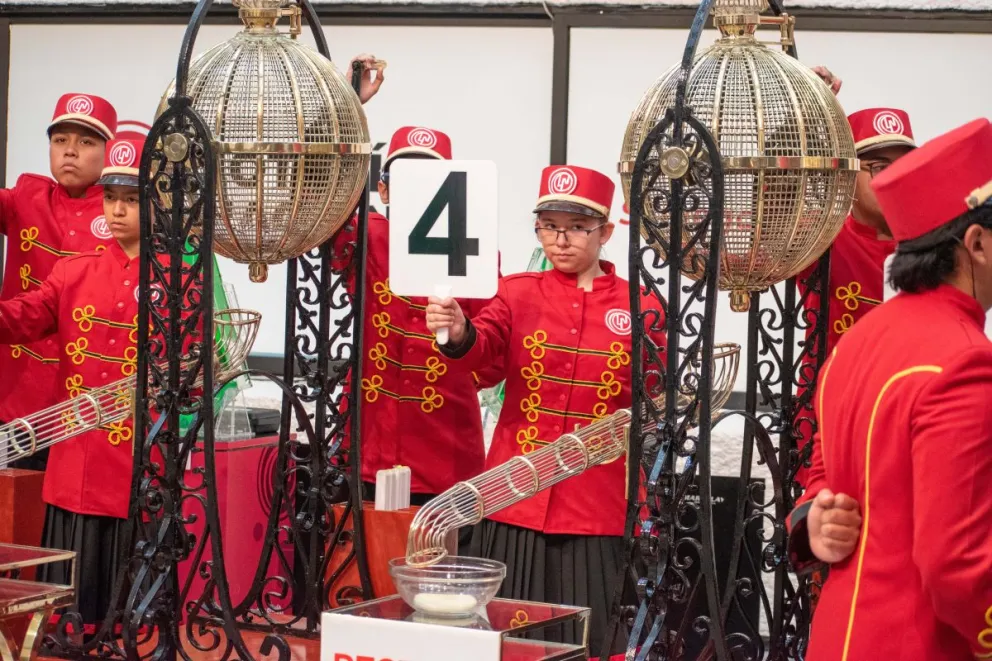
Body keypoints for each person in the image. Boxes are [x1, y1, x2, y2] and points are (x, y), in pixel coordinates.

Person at [425, 165, 668, 656]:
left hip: (595, 507)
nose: (561, 240)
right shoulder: (518, 291)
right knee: (502, 636)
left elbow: (657, 400)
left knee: (591, 638)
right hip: (512, 497)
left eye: (576, 227)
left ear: (605, 231)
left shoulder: (642, 305)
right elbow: (485, 348)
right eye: (549, 226)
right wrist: (456, 330)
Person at [787, 117, 992, 660]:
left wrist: (815, 515)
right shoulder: (965, 358)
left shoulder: (857, 341)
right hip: (921, 642)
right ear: (976, 243)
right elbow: (956, 563)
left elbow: (826, 475)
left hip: (840, 637)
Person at [0, 136, 145, 625]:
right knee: (68, 613)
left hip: (138, 457)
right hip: (77, 453)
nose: (118, 210)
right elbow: (22, 318)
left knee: (131, 616)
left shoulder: (178, 274)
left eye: (131, 199)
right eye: (111, 198)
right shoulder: (75, 269)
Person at [333, 126, 498, 507]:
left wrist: (461, 336)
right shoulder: (366, 235)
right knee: (361, 561)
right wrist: (347, 113)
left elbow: (493, 362)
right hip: (366, 442)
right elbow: (317, 209)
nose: (419, 191)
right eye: (405, 179)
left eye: (429, 180)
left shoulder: (479, 252)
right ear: (384, 189)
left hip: (446, 452)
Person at [0, 93, 118, 472]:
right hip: (16, 393)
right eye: (60, 140)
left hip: (85, 404)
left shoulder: (124, 213)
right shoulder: (27, 197)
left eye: (86, 142)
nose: (70, 151)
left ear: (109, 151)